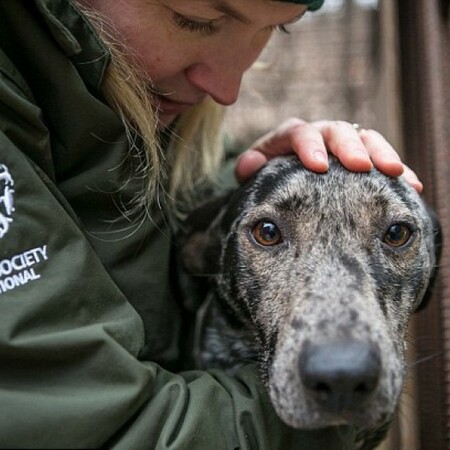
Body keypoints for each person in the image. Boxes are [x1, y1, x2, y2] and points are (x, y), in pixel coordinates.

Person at [0, 0, 421, 448]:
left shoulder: (143, 99)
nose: (227, 88)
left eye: (276, 29)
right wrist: (346, 414)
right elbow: (99, 430)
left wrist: (267, 181)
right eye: (197, 21)